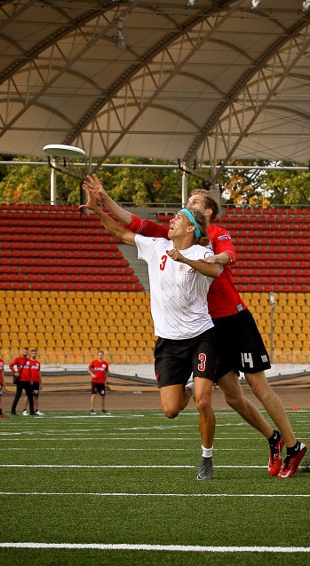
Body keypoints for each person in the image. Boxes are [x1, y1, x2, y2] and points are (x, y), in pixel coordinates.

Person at [85, 175, 307, 478]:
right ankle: (273, 438)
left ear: (206, 214)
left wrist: (205, 256)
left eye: (193, 204)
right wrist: (103, 199)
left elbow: (228, 257)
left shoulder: (214, 234)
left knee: (257, 386)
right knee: (232, 396)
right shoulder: (171, 235)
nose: (186, 206)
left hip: (232, 317)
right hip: (208, 326)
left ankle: (294, 446)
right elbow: (133, 224)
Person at [83, 189, 228, 480]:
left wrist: (184, 260)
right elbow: (119, 233)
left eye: (179, 218)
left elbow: (215, 271)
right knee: (171, 410)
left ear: (191, 228)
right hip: (168, 342)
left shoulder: (202, 251)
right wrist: (97, 210)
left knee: (203, 401)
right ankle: (187, 387)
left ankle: (207, 458)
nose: (171, 220)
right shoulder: (156, 246)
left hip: (202, 335)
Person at [9, 347, 35, 416]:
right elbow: (11, 366)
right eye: (24, 352)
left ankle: (32, 412)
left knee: (30, 396)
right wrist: (15, 372)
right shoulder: (18, 359)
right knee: (18, 396)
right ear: (22, 352)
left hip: (27, 381)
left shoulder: (29, 360)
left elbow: (30, 371)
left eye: (26, 352)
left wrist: (31, 379)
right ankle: (13, 411)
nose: (25, 353)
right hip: (20, 381)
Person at [88, 350, 110, 415]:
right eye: (99, 355)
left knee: (103, 396)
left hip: (102, 383)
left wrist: (105, 381)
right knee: (94, 394)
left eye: (101, 355)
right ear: (97, 355)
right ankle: (92, 409)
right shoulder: (94, 362)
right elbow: (88, 369)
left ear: (103, 355)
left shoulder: (105, 364)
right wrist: (92, 374)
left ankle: (103, 410)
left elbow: (106, 373)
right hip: (95, 382)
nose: (100, 356)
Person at [22, 348, 43, 416]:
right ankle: (24, 410)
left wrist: (40, 383)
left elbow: (39, 373)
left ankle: (37, 410)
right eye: (32, 353)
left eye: (35, 353)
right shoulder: (28, 362)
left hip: (36, 382)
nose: (34, 354)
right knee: (28, 395)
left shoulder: (38, 363)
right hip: (30, 381)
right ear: (30, 354)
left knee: (36, 396)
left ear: (36, 354)